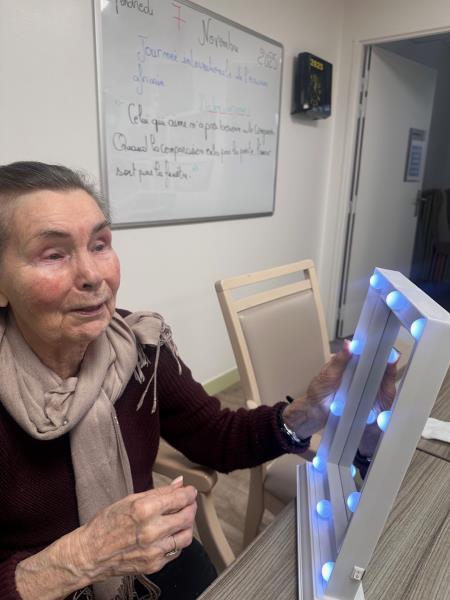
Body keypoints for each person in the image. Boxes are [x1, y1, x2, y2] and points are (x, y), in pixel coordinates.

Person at [0, 162, 394, 600]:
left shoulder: (140, 350)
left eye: (100, 244)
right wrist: (83, 557)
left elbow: (215, 436)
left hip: (147, 565)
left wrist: (305, 412)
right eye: (53, 254)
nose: (93, 276)